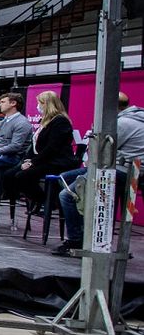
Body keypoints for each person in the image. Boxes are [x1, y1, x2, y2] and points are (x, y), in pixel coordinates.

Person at [54, 93, 144, 255]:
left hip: (123, 172)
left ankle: (77, 240)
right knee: (65, 177)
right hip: (117, 166)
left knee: (66, 195)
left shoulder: (120, 123)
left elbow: (98, 155)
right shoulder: (135, 118)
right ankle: (82, 218)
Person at [11, 90, 79, 206]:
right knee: (11, 173)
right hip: (44, 159)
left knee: (22, 176)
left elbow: (52, 147)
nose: (38, 106)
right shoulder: (44, 121)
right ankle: (43, 202)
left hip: (57, 162)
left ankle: (47, 203)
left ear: (48, 104)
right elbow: (35, 144)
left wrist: (33, 162)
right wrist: (29, 160)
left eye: (40, 103)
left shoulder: (60, 121)